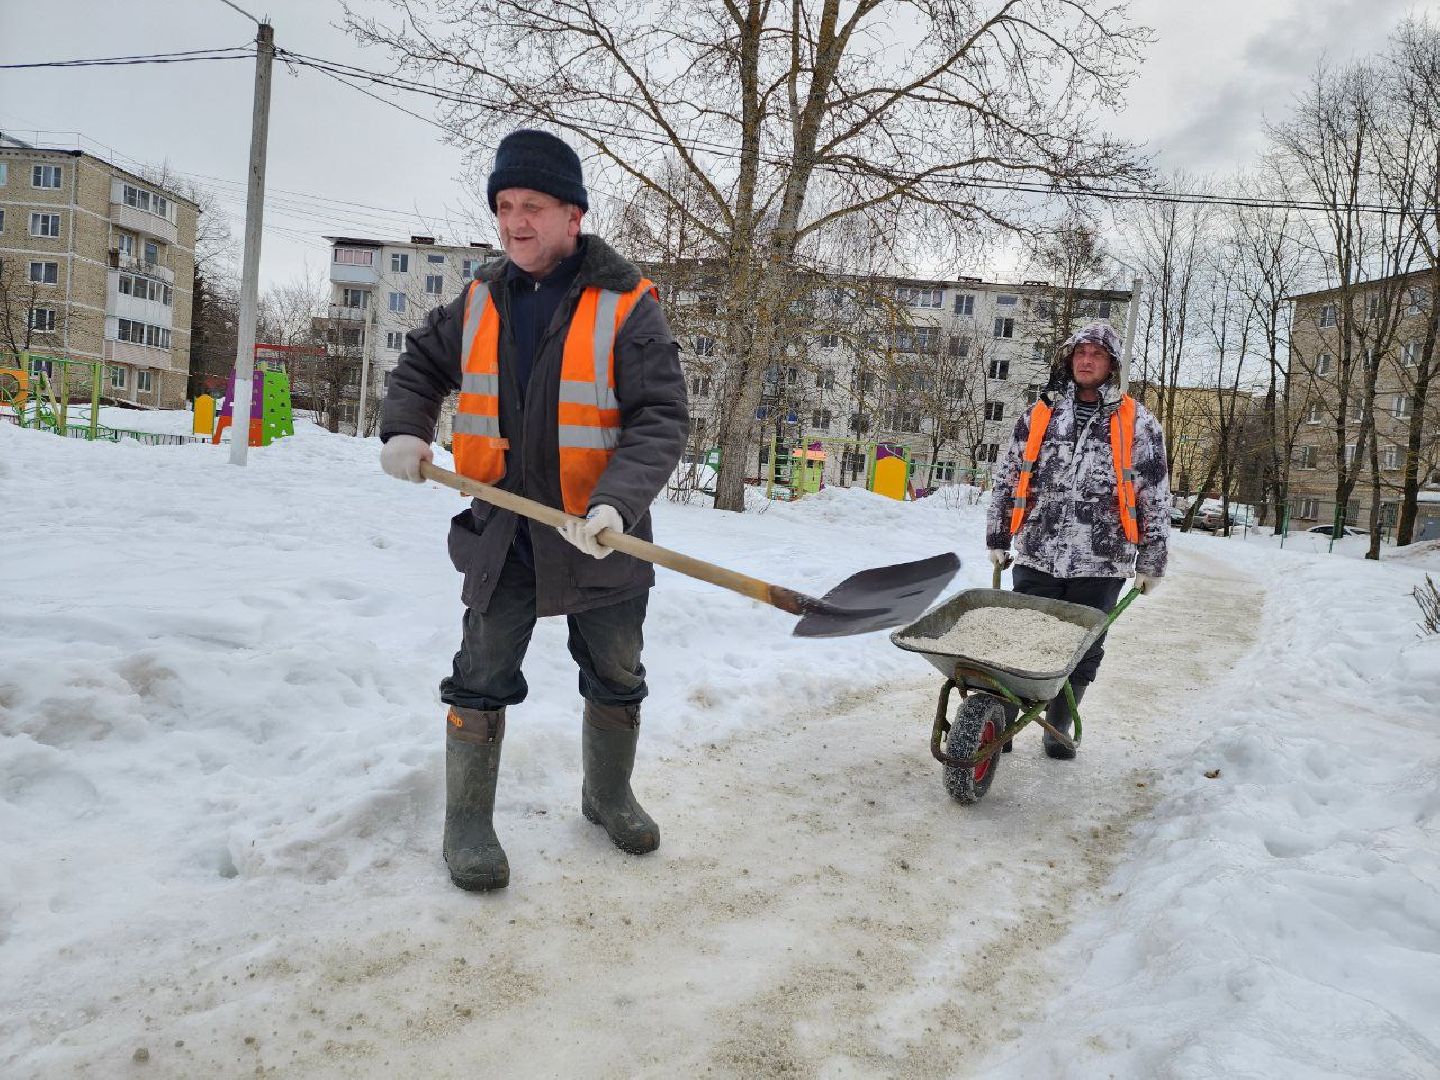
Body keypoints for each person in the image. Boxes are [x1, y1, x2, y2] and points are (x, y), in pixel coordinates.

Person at [378, 129, 689, 891]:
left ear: (573, 215)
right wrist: (405, 429)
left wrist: (617, 501)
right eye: (505, 206)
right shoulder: (482, 297)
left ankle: (606, 794)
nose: (517, 222)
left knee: (617, 671)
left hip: (601, 533)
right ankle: (468, 824)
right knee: (480, 672)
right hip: (504, 527)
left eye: (535, 207)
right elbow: (421, 364)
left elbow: (660, 416)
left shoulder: (627, 304)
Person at [985, 322, 1170, 759]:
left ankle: (1058, 727)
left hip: (1103, 559)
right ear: (1069, 359)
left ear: (1112, 365)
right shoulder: (1040, 414)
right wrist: (997, 534)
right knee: (1021, 639)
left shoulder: (1139, 423)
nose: (1087, 360)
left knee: (1083, 647)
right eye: (1080, 352)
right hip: (1037, 549)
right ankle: (1002, 726)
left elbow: (1155, 495)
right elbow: (1008, 476)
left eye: (1097, 354)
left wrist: (1152, 561)